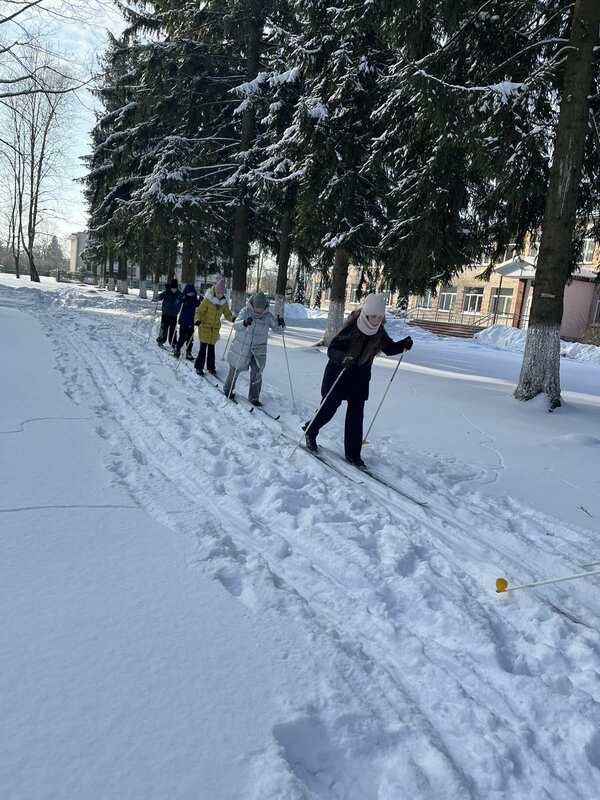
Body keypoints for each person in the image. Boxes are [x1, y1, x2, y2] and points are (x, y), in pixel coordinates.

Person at [304, 293, 413, 467]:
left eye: (380, 316)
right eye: (373, 316)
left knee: (356, 416)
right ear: (366, 313)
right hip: (339, 374)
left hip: (360, 379)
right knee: (328, 409)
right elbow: (332, 349)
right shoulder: (352, 328)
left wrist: (403, 345)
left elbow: (389, 348)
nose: (376, 320)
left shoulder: (379, 332)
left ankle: (353, 454)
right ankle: (311, 431)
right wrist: (343, 358)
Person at [223, 291, 285, 405]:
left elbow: (278, 330)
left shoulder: (267, 316)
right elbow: (236, 325)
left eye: (261, 308)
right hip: (242, 346)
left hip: (258, 350)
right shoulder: (245, 311)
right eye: (257, 307)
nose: (258, 310)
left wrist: (281, 324)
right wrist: (244, 323)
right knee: (235, 369)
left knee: (257, 372)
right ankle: (228, 389)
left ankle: (254, 397)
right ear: (253, 305)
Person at [194, 278, 234, 376]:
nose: (220, 295)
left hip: (214, 329)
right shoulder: (208, 299)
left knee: (211, 350)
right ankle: (199, 367)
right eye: (218, 293)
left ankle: (211, 367)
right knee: (203, 349)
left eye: (221, 293)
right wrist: (197, 320)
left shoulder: (223, 302)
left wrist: (233, 319)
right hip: (204, 326)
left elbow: (227, 313)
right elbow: (199, 311)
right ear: (215, 291)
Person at [174, 284, 202, 360]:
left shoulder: (194, 299)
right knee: (182, 337)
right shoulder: (184, 298)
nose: (191, 294)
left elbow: (198, 305)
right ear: (186, 292)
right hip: (183, 321)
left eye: (192, 292)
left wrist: (201, 300)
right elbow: (178, 301)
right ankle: (177, 349)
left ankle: (188, 352)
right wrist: (182, 298)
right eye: (189, 292)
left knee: (190, 339)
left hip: (191, 322)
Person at [156, 277, 183, 347]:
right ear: (170, 287)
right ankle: (161, 340)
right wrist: (158, 297)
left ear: (177, 288)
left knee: (173, 330)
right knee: (164, 328)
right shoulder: (166, 292)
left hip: (174, 315)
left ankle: (173, 342)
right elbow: (160, 296)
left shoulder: (179, 294)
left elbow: (184, 299)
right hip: (165, 314)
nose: (174, 290)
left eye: (175, 288)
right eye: (172, 288)